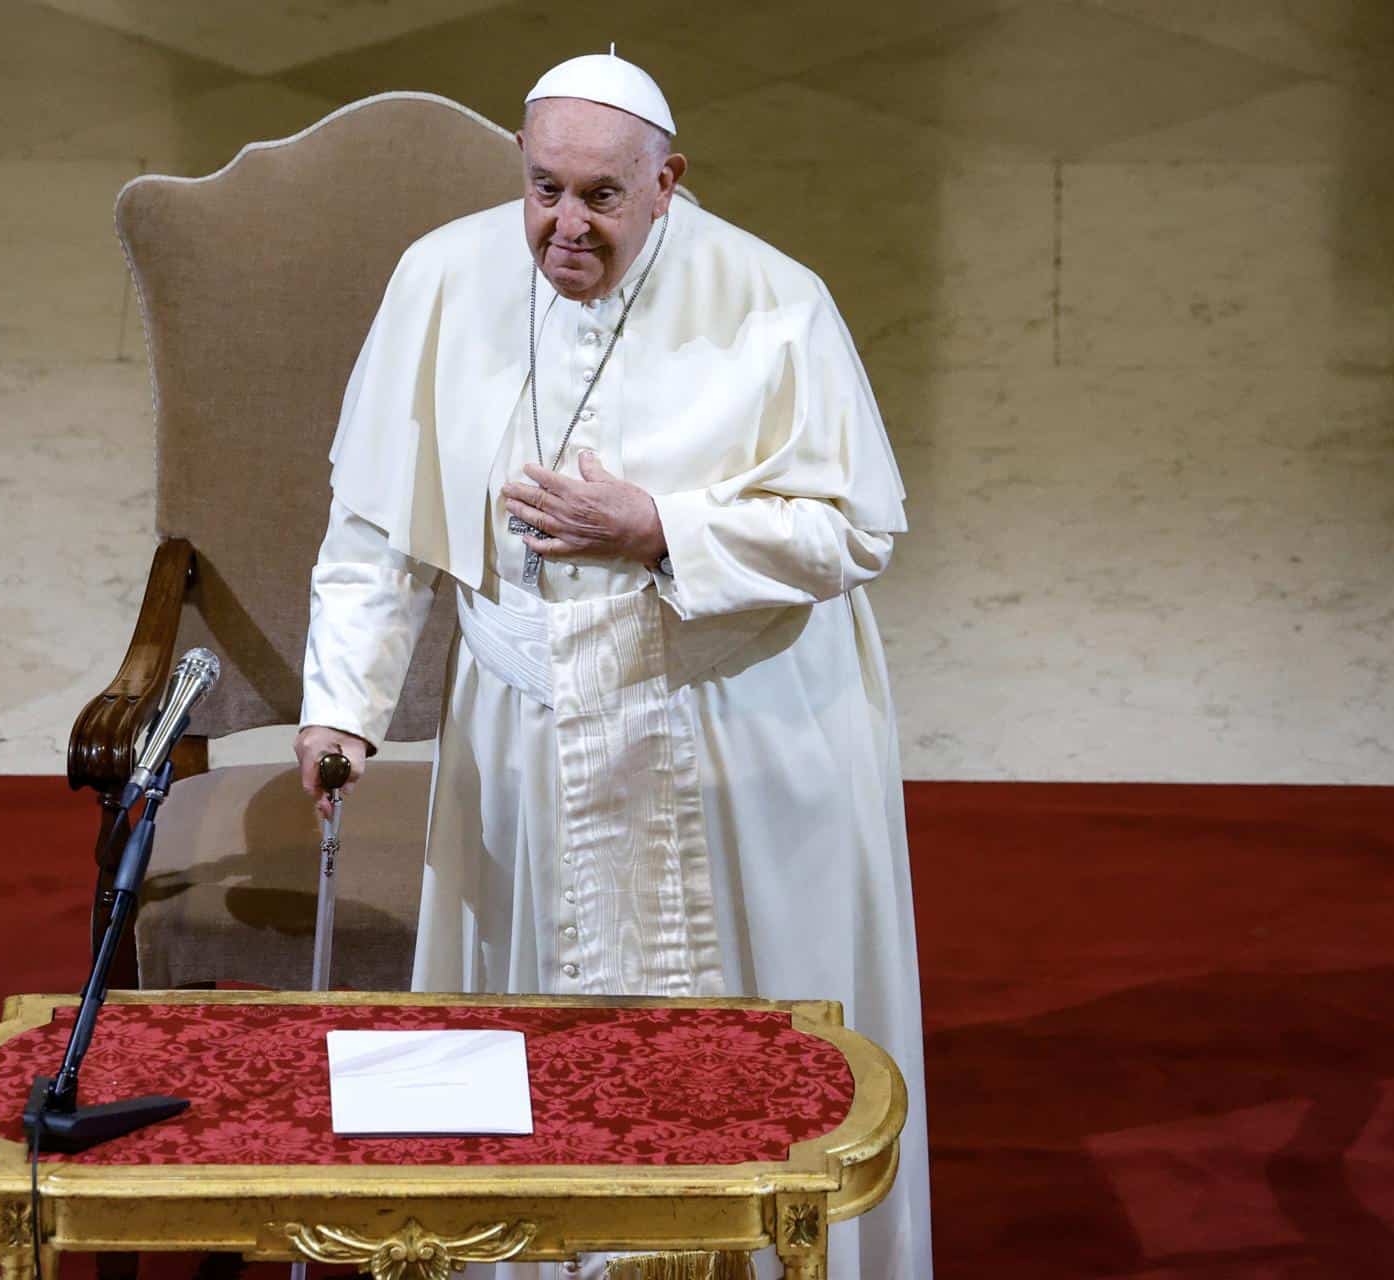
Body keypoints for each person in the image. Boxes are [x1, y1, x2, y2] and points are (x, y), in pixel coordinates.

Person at [293, 52, 931, 1280]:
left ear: (667, 182)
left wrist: (660, 529)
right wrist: (344, 703)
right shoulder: (441, 278)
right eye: (543, 191)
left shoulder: (772, 298)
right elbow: (376, 521)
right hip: (526, 734)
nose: (563, 228)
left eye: (599, 197)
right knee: (532, 1051)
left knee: (738, 1066)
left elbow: (858, 529)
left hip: (728, 730)